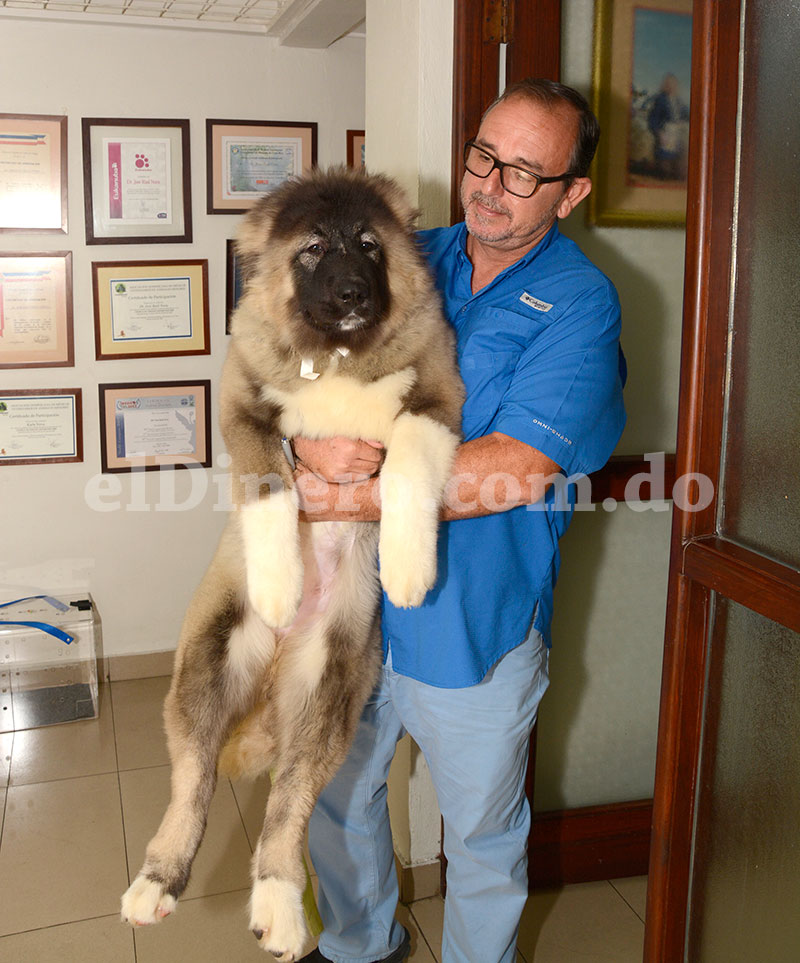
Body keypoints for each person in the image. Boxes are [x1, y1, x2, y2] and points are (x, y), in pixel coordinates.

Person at [291, 78, 626, 963]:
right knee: (336, 792)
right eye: (484, 156)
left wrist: (343, 493)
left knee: (479, 836)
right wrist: (300, 445)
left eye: (524, 173)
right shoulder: (401, 258)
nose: (489, 185)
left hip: (473, 623)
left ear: (571, 194)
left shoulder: (581, 304)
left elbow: (515, 467)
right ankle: (361, 944)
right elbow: (299, 372)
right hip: (353, 607)